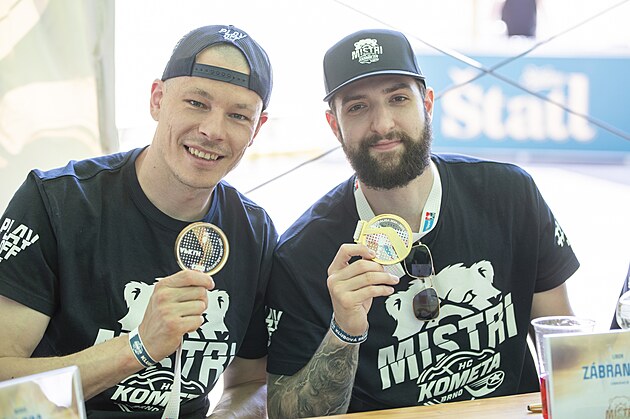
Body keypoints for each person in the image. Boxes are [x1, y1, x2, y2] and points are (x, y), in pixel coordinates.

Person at [265, 28, 578, 417]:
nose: (382, 124)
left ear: (427, 103)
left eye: (398, 99)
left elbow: (562, 347)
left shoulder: (510, 195)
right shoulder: (302, 253)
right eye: (358, 107)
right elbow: (282, 411)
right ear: (334, 125)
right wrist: (343, 332)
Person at [0, 24, 277, 417]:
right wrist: (138, 347)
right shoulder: (55, 202)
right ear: (157, 99)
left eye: (237, 115)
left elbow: (250, 382)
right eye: (196, 103)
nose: (213, 130)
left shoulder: (255, 233)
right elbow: (5, 388)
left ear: (257, 128)